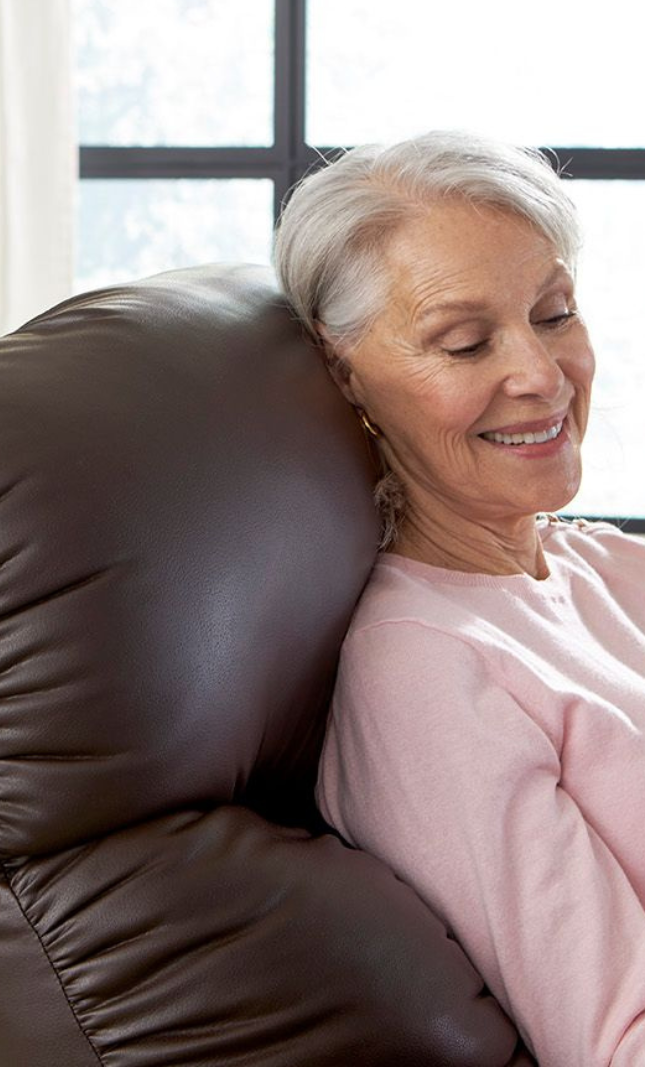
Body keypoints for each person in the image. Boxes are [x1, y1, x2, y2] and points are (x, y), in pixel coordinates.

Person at [273, 131, 645, 1067]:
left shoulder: (602, 566)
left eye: (554, 314)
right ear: (345, 377)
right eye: (466, 342)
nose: (541, 375)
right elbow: (616, 1039)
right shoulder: (426, 671)